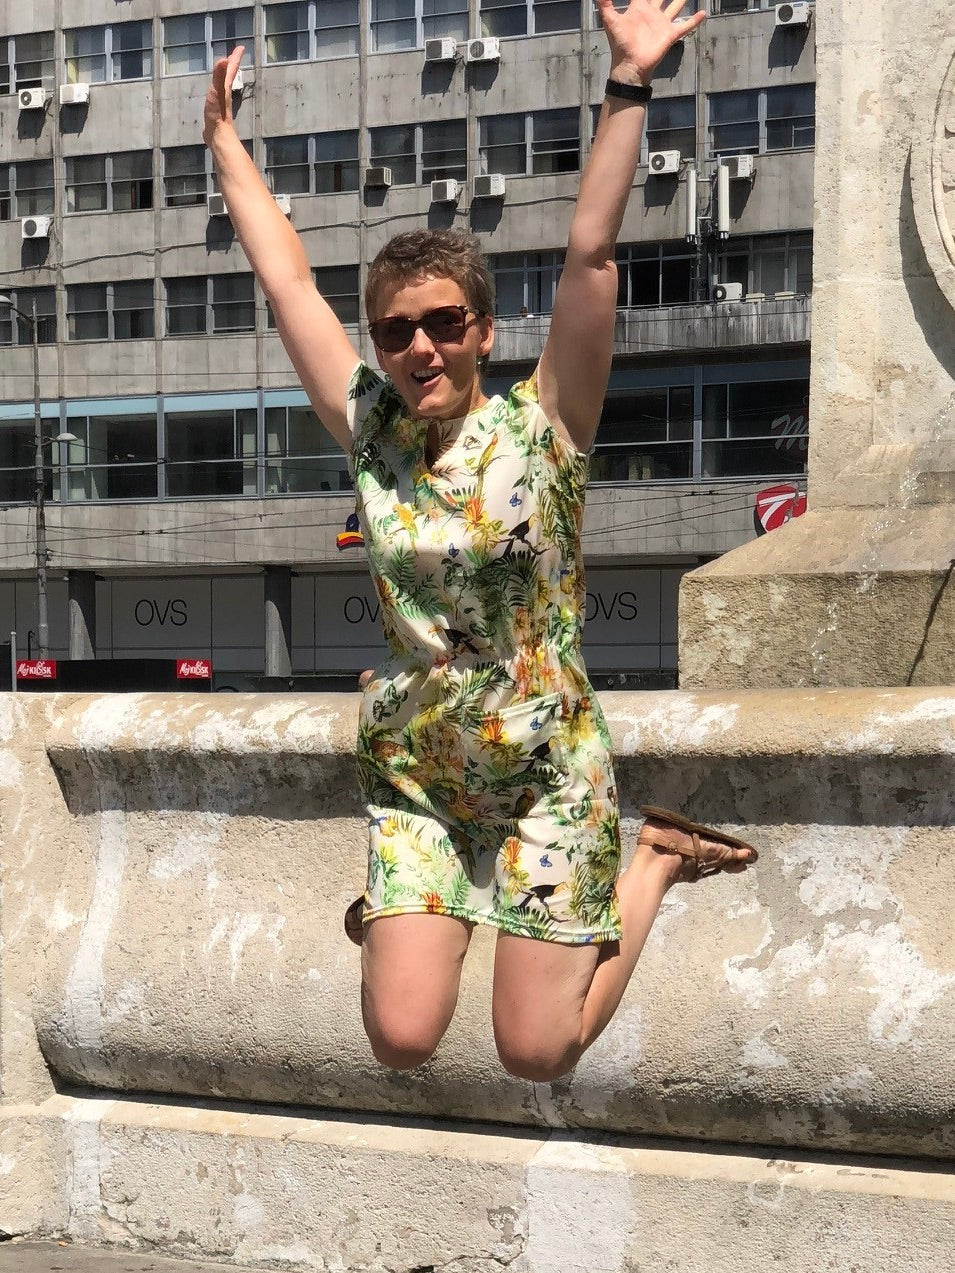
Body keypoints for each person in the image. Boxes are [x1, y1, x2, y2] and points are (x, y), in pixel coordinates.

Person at [204, 0, 757, 1082]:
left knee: (536, 1050)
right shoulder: (372, 431)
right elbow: (287, 282)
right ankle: (413, 913)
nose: (420, 347)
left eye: (443, 323)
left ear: (482, 331)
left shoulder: (545, 423)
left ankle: (652, 859)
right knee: (403, 1037)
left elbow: (591, 254)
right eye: (396, 330)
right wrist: (224, 141)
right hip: (420, 771)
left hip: (547, 765)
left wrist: (629, 83)